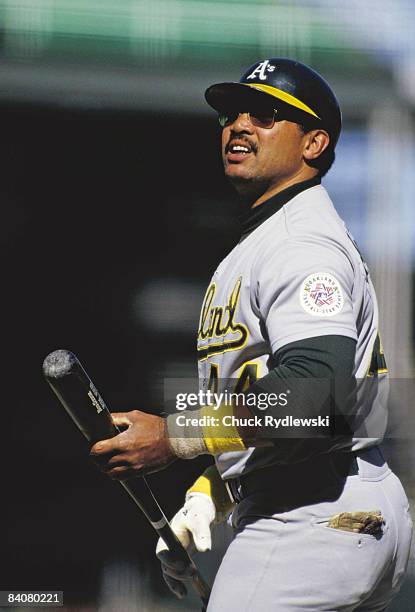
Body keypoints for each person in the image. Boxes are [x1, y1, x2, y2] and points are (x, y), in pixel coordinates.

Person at [91, 58, 413, 610]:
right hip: (323, 504)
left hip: (315, 511)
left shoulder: (300, 243)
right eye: (230, 114)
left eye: (264, 114)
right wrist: (211, 494)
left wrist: (174, 437)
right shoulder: (271, 239)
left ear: (313, 144)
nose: (238, 125)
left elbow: (315, 400)